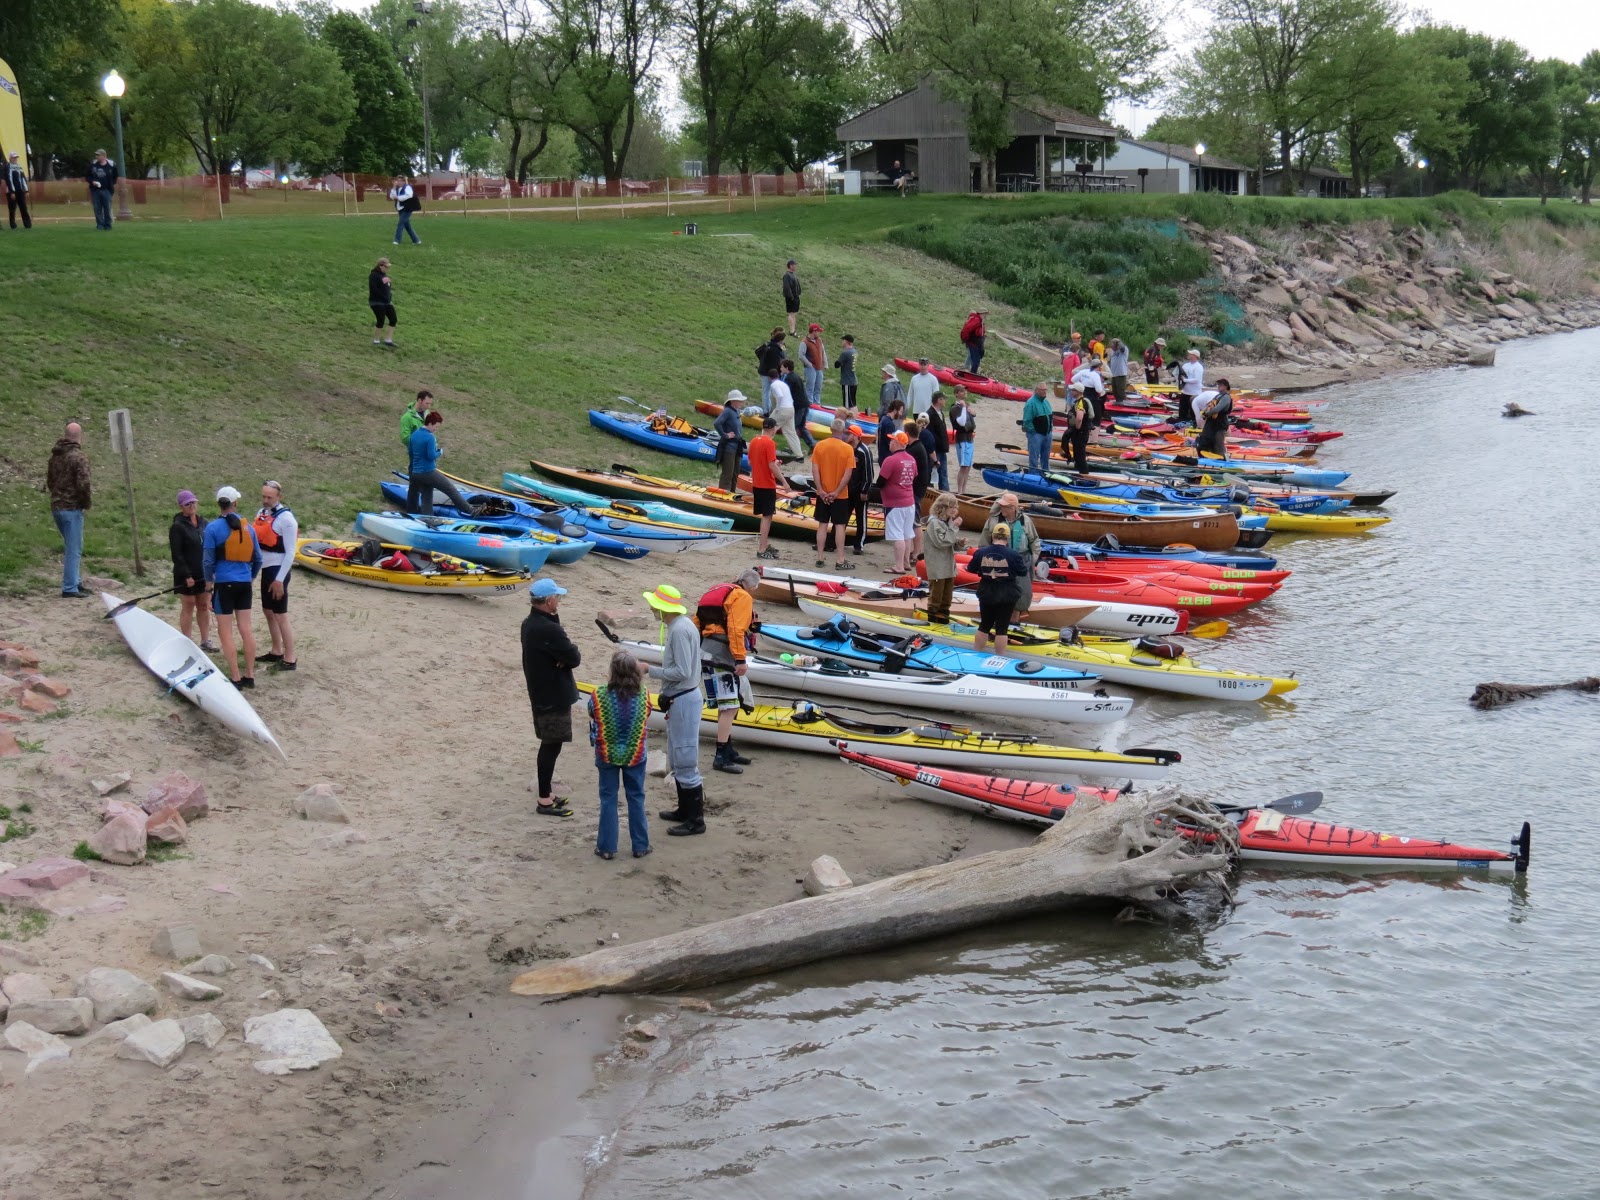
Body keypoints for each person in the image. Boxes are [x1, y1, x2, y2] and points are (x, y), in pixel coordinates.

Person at [644, 584, 706, 837]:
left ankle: (696, 820)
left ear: (662, 608)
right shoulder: (682, 625)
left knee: (684, 756)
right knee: (678, 755)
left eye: (654, 606)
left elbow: (682, 671)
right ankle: (684, 810)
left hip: (683, 699)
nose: (651, 609)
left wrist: (649, 670)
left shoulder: (679, 630)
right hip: (681, 697)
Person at [521, 577, 581, 817]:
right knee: (551, 745)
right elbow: (574, 656)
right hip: (552, 695)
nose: (559, 600)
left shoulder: (530, 623)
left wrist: (561, 657)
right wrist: (563, 657)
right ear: (548, 601)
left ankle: (546, 792)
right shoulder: (548, 629)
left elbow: (563, 654)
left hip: (541, 692)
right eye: (557, 597)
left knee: (551, 744)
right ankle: (544, 799)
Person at [588, 650, 653, 860]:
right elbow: (648, 713)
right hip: (635, 754)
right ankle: (640, 846)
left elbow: (592, 712)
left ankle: (606, 847)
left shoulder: (598, 694)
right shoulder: (644, 694)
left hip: (606, 753)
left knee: (608, 798)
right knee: (636, 797)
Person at [694, 570, 760, 774]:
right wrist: (740, 659)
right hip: (722, 656)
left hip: (706, 652)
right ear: (752, 586)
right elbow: (736, 629)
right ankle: (721, 755)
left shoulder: (717, 590)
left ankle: (728, 749)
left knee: (726, 704)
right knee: (730, 707)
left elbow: (697, 621)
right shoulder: (742, 596)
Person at [201, 486, 262, 688]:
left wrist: (209, 587)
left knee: (225, 632)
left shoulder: (212, 528)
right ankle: (250, 675)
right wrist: (250, 577)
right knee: (246, 629)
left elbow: (208, 561)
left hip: (224, 584)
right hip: (244, 584)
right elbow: (258, 559)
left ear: (219, 504)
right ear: (235, 503)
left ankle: (235, 677)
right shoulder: (249, 528)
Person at [253, 481, 299, 672]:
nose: (265, 500)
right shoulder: (261, 514)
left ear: (279, 497)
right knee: (268, 611)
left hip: (278, 570)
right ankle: (276, 650)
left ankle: (290, 657)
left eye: (269, 497)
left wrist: (279, 579)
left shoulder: (287, 519)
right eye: (263, 496)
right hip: (266, 568)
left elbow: (290, 552)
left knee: (280, 614)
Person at [46, 422, 92, 598]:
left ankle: (75, 581)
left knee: (72, 545)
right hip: (72, 507)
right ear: (80, 437)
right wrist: (85, 503)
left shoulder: (55, 456)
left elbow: (50, 481)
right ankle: (70, 587)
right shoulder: (79, 458)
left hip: (57, 506)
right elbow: (83, 484)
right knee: (74, 548)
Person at [967, 523, 1027, 653]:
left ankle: (977, 652)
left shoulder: (981, 552)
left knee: (984, 625)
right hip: (1007, 593)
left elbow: (970, 568)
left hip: (986, 592)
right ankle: (1000, 656)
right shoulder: (1014, 554)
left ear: (992, 536)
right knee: (1002, 628)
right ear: (1008, 537)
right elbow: (1023, 572)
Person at [981, 494, 1041, 620]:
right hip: (999, 561)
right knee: (999, 594)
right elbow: (984, 543)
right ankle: (997, 621)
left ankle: (1014, 621)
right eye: (1001, 505)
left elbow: (1034, 541)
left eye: (1004, 506)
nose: (1001, 507)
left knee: (1021, 595)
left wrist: (1033, 559)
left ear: (1012, 508)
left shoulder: (1026, 521)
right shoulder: (993, 520)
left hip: (1022, 561)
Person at [169, 490, 215, 650]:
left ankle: (205, 640)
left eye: (193, 502)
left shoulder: (204, 523)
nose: (191, 506)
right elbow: (177, 554)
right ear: (181, 506)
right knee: (188, 604)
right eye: (187, 504)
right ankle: (187, 641)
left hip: (203, 572)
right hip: (186, 572)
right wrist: (187, 575)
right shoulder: (177, 527)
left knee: (203, 605)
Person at [406, 410, 475, 516]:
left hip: (416, 473)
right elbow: (431, 456)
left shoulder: (414, 435)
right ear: (430, 423)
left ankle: (427, 517)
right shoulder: (430, 437)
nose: (436, 429)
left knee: (427, 496)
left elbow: (410, 453)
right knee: (450, 489)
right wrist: (440, 452)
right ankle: (470, 510)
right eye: (436, 427)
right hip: (428, 471)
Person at [811, 418, 856, 570]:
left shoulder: (820, 446)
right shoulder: (848, 449)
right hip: (840, 495)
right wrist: (837, 492)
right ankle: (840, 559)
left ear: (830, 429)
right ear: (843, 431)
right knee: (840, 526)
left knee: (822, 525)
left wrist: (820, 490)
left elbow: (815, 470)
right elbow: (847, 474)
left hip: (823, 493)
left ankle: (819, 557)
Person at [875, 431, 918, 573]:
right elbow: (914, 476)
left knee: (897, 534)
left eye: (892, 440)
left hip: (895, 503)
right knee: (907, 533)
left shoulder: (891, 460)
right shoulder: (911, 459)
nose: (890, 443)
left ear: (897, 442)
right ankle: (906, 562)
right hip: (909, 500)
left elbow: (881, 481)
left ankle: (899, 566)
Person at [923, 493, 965, 624]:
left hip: (948, 565)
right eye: (952, 507)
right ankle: (932, 620)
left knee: (947, 598)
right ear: (942, 507)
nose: (955, 510)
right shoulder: (934, 523)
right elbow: (941, 542)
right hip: (937, 566)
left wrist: (959, 543)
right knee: (936, 597)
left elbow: (949, 541)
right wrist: (954, 527)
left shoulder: (947, 522)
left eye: (956, 507)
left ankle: (943, 620)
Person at [748, 415, 780, 560]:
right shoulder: (770, 443)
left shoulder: (754, 441)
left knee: (765, 515)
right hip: (767, 484)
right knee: (767, 517)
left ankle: (764, 544)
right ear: (773, 429)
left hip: (757, 482)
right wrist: (784, 482)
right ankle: (762, 548)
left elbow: (751, 461)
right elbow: (771, 465)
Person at [845, 423, 874, 555]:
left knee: (861, 518)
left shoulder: (864, 451)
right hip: (847, 489)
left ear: (855, 436)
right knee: (842, 516)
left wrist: (864, 490)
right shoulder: (847, 448)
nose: (846, 436)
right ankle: (832, 542)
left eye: (849, 434)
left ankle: (859, 545)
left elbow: (869, 473)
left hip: (859, 490)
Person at [767, 367, 806, 460]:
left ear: (769, 377)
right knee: (790, 432)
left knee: (768, 428)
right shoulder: (783, 384)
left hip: (782, 409)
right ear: (778, 375)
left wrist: (777, 408)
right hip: (790, 409)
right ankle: (799, 455)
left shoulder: (774, 385)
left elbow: (780, 396)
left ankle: (761, 449)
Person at [715, 388, 747, 493]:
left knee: (735, 472)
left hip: (737, 446)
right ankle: (723, 493)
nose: (741, 402)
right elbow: (717, 423)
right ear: (733, 401)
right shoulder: (727, 411)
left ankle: (732, 493)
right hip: (729, 447)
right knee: (728, 473)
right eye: (739, 401)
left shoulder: (736, 411)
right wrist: (725, 435)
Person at [783, 356, 816, 453]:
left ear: (786, 367)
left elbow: (787, 393)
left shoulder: (789, 378)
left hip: (798, 406)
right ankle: (812, 444)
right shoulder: (796, 376)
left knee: (792, 427)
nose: (780, 368)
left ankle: (793, 448)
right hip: (805, 404)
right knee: (801, 427)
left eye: (781, 367)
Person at [1197, 378, 1235, 458]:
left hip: (1220, 423)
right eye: (1218, 385)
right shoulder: (1218, 396)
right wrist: (1204, 412)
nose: (1219, 386)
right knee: (1205, 440)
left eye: (1221, 385)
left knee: (1218, 443)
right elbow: (1209, 405)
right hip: (1211, 422)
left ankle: (1221, 459)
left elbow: (1217, 409)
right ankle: (1205, 457)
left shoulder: (1226, 397)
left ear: (1226, 386)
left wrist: (1206, 414)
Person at [1021, 384, 1055, 473]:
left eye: (1045, 390)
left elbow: (1050, 417)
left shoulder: (1046, 402)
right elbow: (1027, 421)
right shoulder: (1030, 403)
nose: (1044, 391)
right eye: (1042, 390)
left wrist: (1050, 430)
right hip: (1036, 434)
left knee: (1046, 457)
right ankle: (1033, 474)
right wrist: (1033, 432)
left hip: (1047, 433)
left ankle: (1046, 473)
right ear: (1036, 390)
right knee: (1034, 457)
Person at [950, 386, 977, 493]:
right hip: (962, 439)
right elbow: (961, 422)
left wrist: (971, 411)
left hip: (969, 438)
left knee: (968, 466)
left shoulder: (966, 406)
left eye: (965, 391)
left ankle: (964, 490)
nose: (965, 392)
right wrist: (965, 409)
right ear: (956, 394)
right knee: (964, 466)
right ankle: (960, 491)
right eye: (962, 391)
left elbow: (973, 415)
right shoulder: (955, 408)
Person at [1061, 384, 1094, 474]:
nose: (1071, 392)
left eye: (1073, 390)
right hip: (1081, 432)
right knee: (1078, 455)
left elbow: (1079, 417)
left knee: (1080, 456)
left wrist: (1077, 428)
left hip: (1080, 433)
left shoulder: (1080, 402)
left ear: (1078, 392)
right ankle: (1081, 473)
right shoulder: (1078, 402)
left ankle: (1084, 475)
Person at [85, 149, 118, 231]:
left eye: (98, 155)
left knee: (107, 208)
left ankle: (108, 225)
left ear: (104, 156)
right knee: (97, 208)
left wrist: (110, 184)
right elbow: (87, 176)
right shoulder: (93, 165)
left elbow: (115, 176)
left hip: (107, 190)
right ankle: (100, 225)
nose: (97, 156)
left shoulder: (111, 165)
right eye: (96, 155)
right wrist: (92, 182)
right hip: (95, 190)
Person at [369, 258, 397, 348]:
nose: (387, 268)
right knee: (381, 320)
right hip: (376, 302)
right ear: (380, 266)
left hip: (387, 301)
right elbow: (373, 289)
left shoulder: (384, 275)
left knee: (393, 319)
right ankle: (376, 340)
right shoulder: (374, 275)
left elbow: (387, 288)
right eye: (386, 267)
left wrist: (389, 296)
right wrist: (383, 296)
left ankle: (388, 340)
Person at [755, 329, 786, 410]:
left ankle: (767, 409)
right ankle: (767, 410)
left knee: (766, 392)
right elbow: (774, 364)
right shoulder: (775, 350)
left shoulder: (769, 346)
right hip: (769, 373)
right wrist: (774, 375)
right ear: (780, 340)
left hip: (764, 371)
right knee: (769, 392)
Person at [926, 391, 951, 491]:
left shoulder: (940, 413)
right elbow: (929, 434)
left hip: (942, 449)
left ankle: (945, 494)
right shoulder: (930, 414)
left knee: (943, 474)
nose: (945, 401)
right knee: (932, 473)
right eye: (944, 399)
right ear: (939, 400)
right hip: (935, 450)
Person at [388, 176, 421, 245]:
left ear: (404, 181)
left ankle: (397, 240)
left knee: (401, 223)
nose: (398, 182)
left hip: (408, 208)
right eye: (398, 181)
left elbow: (409, 195)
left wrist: (398, 197)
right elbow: (392, 196)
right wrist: (394, 187)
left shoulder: (407, 187)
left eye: (400, 181)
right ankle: (416, 240)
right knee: (407, 225)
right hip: (400, 208)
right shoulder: (397, 188)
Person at [1177, 349, 1205, 427]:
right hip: (1185, 391)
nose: (1188, 355)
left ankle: (1194, 424)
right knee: (1182, 410)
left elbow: (1197, 380)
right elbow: (1181, 375)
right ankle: (1181, 422)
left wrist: (1185, 380)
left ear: (1195, 356)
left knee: (1193, 411)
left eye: (1190, 354)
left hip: (1194, 393)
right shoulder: (1185, 365)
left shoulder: (1198, 367)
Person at [5, 152, 31, 230]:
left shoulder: (19, 166)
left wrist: (26, 190)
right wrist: (12, 192)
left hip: (20, 191)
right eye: (14, 157)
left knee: (23, 207)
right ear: (10, 158)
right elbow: (9, 179)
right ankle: (13, 225)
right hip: (11, 191)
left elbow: (23, 178)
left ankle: (27, 225)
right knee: (12, 209)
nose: (15, 159)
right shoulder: (8, 167)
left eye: (16, 157)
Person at [803, 324, 826, 409]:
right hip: (810, 368)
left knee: (818, 387)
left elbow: (823, 352)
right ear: (814, 332)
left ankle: (817, 405)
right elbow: (801, 355)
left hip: (819, 368)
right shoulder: (805, 342)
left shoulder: (819, 340)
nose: (819, 333)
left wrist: (825, 363)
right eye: (818, 331)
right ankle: (809, 405)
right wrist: (809, 364)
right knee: (810, 387)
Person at [876, 397, 905, 463]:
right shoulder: (889, 424)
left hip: (881, 455)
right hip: (887, 457)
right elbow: (890, 443)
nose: (901, 414)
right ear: (895, 410)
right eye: (900, 411)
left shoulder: (883, 419)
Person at [835, 334, 858, 409]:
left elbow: (837, 365)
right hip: (853, 380)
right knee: (853, 403)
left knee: (847, 405)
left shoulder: (845, 353)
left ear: (846, 341)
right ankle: (855, 414)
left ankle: (849, 416)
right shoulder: (854, 352)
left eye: (843, 340)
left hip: (847, 381)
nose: (842, 342)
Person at [1106, 339, 1130, 405]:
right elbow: (1109, 361)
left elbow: (1122, 348)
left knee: (1120, 390)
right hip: (1113, 374)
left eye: (1112, 345)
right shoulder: (1112, 352)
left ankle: (1122, 402)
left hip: (1121, 373)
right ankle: (1117, 401)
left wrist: (1118, 342)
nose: (1111, 347)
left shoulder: (1124, 350)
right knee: (1115, 390)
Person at [782, 260, 801, 335]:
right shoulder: (787, 275)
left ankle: (793, 330)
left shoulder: (792, 275)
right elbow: (786, 287)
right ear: (790, 266)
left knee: (794, 314)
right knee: (791, 313)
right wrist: (791, 297)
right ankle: (791, 331)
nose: (796, 266)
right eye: (794, 265)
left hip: (795, 297)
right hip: (791, 298)